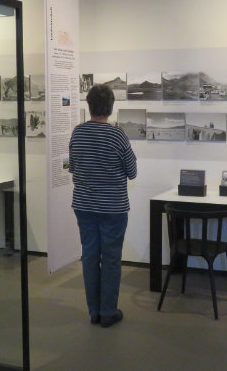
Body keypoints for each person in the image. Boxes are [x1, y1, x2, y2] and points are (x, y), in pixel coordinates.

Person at [69, 84, 137, 328]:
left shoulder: (78, 133)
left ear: (89, 106)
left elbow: (72, 167)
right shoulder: (117, 135)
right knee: (111, 259)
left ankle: (94, 312)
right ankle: (108, 312)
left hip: (84, 205)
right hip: (113, 208)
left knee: (89, 257)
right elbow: (132, 172)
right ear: (110, 107)